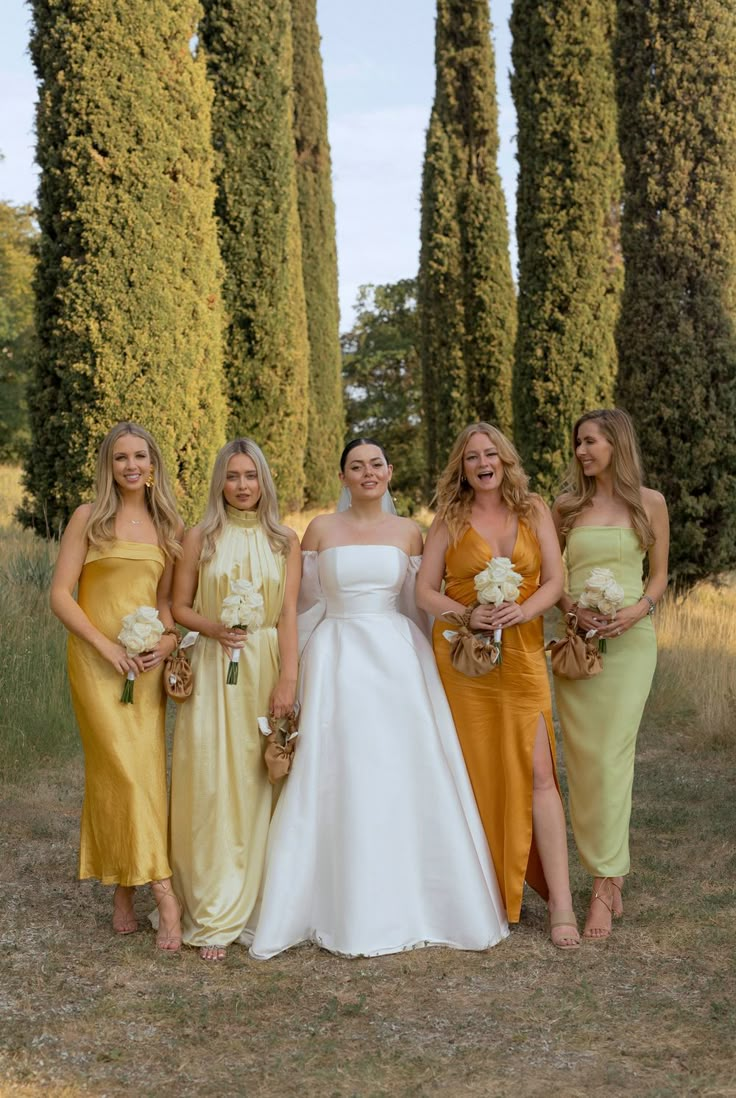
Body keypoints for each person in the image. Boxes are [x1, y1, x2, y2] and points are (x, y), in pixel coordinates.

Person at [249, 439, 508, 959]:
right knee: (340, 770)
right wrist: (292, 674)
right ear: (343, 476)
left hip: (395, 657)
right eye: (355, 466)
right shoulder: (319, 530)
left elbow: (420, 605)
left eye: (376, 465)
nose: (367, 473)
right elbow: (300, 605)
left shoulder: (410, 531)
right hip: (337, 656)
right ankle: (330, 901)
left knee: (401, 770)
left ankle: (423, 898)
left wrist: (438, 661)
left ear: (389, 472)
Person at [417, 423, 579, 949]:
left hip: (526, 654)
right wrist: (469, 613)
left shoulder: (533, 510)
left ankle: (561, 903)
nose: (482, 463)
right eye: (471, 458)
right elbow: (424, 591)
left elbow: (555, 581)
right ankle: (483, 890)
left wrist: (522, 609)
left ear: (505, 460)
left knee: (540, 773)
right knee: (476, 771)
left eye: (491, 454)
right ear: (461, 468)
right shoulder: (449, 518)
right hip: (467, 664)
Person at [50, 422, 183, 950]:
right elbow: (61, 595)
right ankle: (164, 892)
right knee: (121, 772)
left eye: (140, 456)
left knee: (142, 772)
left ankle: (125, 890)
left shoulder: (167, 524)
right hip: (95, 661)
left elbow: (167, 605)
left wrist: (169, 643)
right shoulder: (88, 518)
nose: (131, 465)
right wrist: (106, 648)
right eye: (120, 457)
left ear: (153, 465)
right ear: (108, 465)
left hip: (144, 668)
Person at [168, 439, 300, 962]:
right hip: (212, 664)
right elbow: (179, 607)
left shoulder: (286, 540)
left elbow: (288, 613)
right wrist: (216, 628)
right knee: (209, 777)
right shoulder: (199, 536)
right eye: (232, 476)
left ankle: (263, 897)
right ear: (219, 482)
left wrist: (288, 677)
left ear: (264, 481)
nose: (242, 485)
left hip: (265, 661)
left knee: (259, 773)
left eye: (251, 476)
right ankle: (212, 903)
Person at [552, 408, 669, 939]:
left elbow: (661, 574)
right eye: (578, 443)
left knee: (612, 755)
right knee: (583, 761)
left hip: (632, 644)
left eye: (591, 442)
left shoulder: (651, 504)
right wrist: (574, 610)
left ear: (616, 444)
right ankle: (608, 870)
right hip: (580, 645)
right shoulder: (566, 507)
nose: (582, 451)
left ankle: (604, 884)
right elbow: (553, 578)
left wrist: (639, 609)